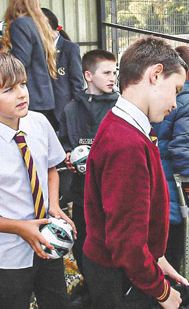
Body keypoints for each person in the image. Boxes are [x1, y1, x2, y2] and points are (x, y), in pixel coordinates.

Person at [0, 51, 74, 309]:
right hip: (6, 254)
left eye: (23, 84)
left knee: (56, 300)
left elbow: (51, 168)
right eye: (9, 89)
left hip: (47, 239)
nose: (22, 94)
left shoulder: (39, 123)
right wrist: (21, 227)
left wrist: (53, 205)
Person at [82, 36, 189, 309]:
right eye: (176, 89)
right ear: (155, 74)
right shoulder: (126, 143)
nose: (175, 103)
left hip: (124, 269)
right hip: (118, 276)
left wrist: (157, 257)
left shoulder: (129, 127)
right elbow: (126, 242)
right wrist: (162, 292)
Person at [153, 46, 189, 272]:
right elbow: (184, 151)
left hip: (162, 189)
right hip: (176, 195)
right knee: (172, 258)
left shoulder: (165, 95)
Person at [61, 49, 119, 275]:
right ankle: (88, 284)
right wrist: (68, 155)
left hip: (111, 191)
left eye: (114, 72)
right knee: (84, 240)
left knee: (109, 241)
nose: (112, 78)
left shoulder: (119, 107)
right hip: (82, 192)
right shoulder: (71, 109)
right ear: (88, 76)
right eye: (106, 73)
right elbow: (64, 141)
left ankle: (114, 287)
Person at [1, 0, 58, 125]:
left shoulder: (19, 24)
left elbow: (21, 61)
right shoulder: (38, 23)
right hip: (43, 95)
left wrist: (1, 49)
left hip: (31, 96)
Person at [41, 8, 83, 132]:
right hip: (43, 109)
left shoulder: (70, 48)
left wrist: (75, 110)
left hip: (62, 109)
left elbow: (77, 82)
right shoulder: (37, 49)